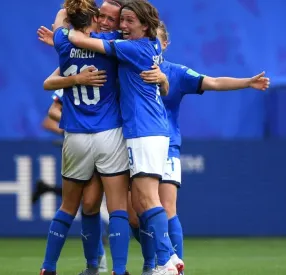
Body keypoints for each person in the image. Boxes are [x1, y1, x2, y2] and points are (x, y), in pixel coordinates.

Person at [136, 21, 270, 275]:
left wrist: (247, 82)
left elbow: (215, 82)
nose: (150, 42)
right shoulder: (128, 67)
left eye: (156, 38)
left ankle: (175, 266)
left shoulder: (177, 73)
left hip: (166, 145)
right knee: (137, 214)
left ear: (164, 44)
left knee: (167, 207)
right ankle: (154, 262)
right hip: (132, 144)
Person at [67, 1, 181, 274]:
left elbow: (86, 41)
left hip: (144, 130)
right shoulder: (147, 45)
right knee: (142, 201)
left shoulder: (133, 48)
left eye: (129, 21)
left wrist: (64, 29)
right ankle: (166, 259)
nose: (123, 26)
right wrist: (163, 81)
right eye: (123, 21)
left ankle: (167, 259)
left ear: (145, 24)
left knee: (147, 199)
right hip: (146, 130)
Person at [39, 1, 131, 274]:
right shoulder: (109, 43)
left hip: (75, 135)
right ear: (92, 18)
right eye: (99, 16)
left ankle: (48, 267)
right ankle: (119, 269)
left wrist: (65, 10)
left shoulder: (63, 44)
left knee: (69, 207)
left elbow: (59, 25)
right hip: (108, 134)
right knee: (117, 209)